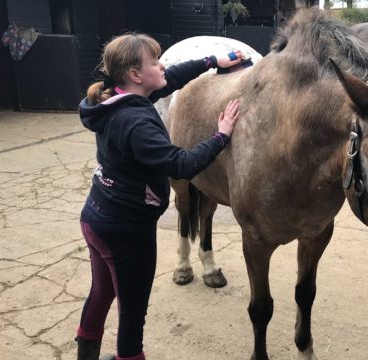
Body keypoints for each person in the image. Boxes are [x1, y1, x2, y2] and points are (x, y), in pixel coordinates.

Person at [75, 33, 244, 360]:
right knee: (132, 313)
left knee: (101, 291)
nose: (161, 65)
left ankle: (86, 354)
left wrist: (213, 62)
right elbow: (182, 164)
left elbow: (172, 77)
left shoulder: (117, 99)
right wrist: (221, 135)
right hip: (126, 231)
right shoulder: (137, 121)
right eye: (154, 62)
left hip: (97, 215)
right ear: (136, 75)